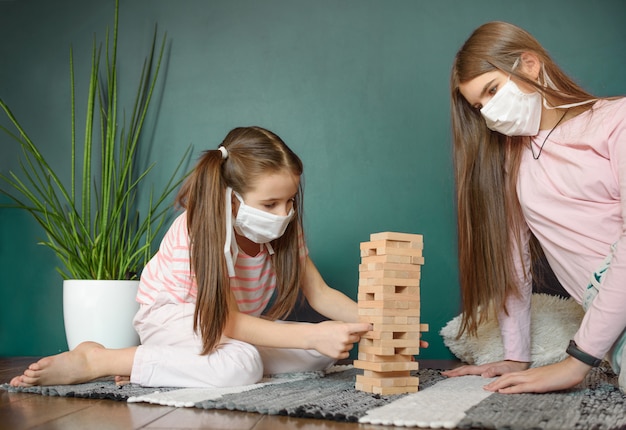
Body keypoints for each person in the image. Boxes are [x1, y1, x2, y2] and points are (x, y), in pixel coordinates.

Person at [10, 126, 373, 388]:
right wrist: (311, 337)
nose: (284, 214)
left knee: (325, 351)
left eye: (290, 201)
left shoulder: (283, 233)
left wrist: (380, 325)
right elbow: (225, 322)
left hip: (231, 326)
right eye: (270, 204)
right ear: (232, 198)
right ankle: (99, 359)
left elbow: (321, 294)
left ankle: (172, 367)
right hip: (177, 319)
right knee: (243, 365)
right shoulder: (201, 230)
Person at [442, 21, 626, 394]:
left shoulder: (616, 120)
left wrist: (577, 361)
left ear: (529, 63)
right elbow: (515, 264)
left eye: (493, 90)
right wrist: (516, 355)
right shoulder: (511, 162)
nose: (490, 112)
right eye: (479, 106)